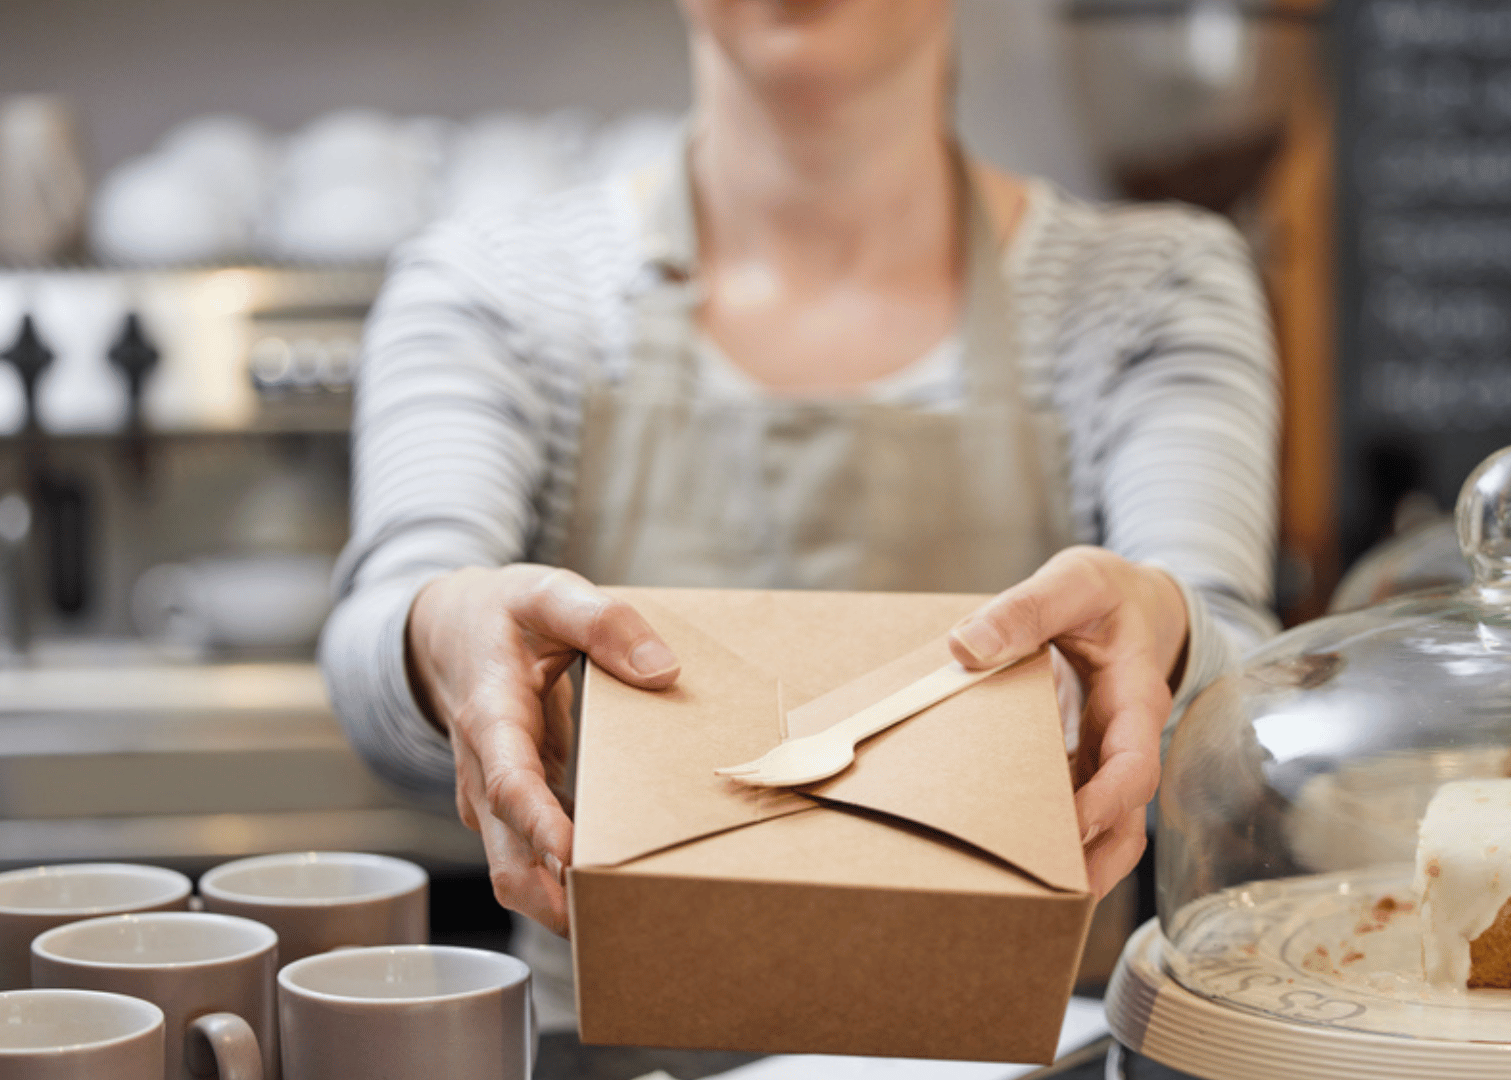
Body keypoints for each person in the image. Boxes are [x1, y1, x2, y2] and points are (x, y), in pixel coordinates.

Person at [320, 0, 1279, 1018]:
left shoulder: (1155, 288)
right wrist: (442, 636)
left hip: (1026, 1044)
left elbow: (1246, 685)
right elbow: (384, 630)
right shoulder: (496, 290)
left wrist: (1170, 639)